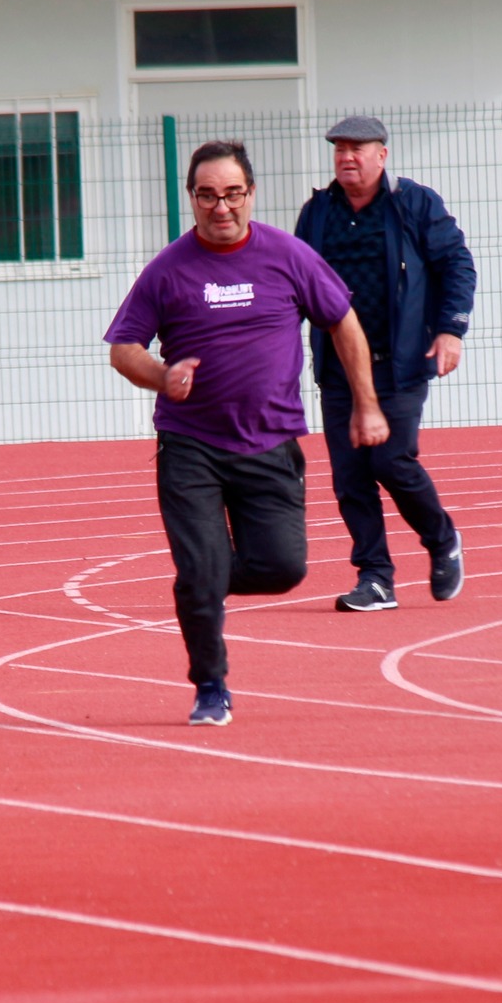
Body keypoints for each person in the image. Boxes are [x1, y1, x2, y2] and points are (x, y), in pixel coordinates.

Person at [106, 140, 387, 726]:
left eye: (232, 193)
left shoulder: (288, 255)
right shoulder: (168, 269)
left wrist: (366, 405)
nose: (221, 207)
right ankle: (211, 684)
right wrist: (162, 375)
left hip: (270, 442)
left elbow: (343, 321)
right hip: (191, 447)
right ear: (193, 199)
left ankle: (200, 582)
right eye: (207, 195)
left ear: (251, 194)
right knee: (204, 572)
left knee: (284, 568)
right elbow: (124, 349)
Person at [294, 115, 476, 613]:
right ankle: (375, 578)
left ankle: (441, 540)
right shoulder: (317, 213)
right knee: (350, 476)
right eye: (339, 149)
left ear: (382, 155)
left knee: (390, 459)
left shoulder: (414, 204)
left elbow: (456, 263)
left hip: (399, 362)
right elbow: (293, 283)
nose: (347, 157)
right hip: (338, 366)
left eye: (358, 148)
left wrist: (450, 329)